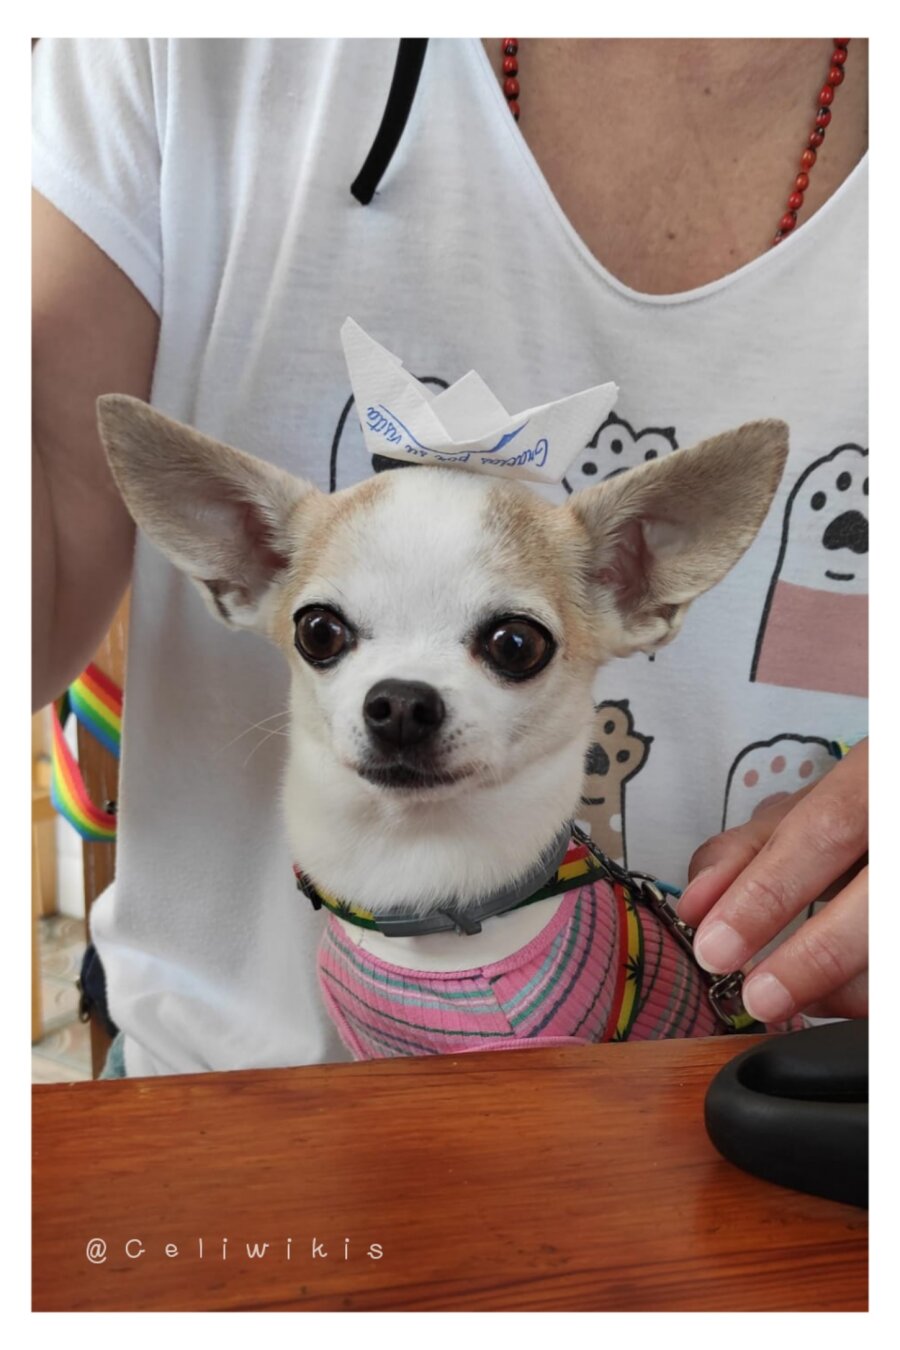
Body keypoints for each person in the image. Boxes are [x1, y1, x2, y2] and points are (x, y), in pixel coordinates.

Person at [32, 38, 868, 1077]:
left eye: (509, 645)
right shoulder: (178, 46)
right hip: (214, 1098)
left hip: (768, 1107)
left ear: (634, 585)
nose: (400, 701)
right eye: (329, 634)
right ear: (246, 567)